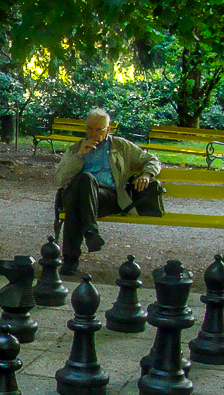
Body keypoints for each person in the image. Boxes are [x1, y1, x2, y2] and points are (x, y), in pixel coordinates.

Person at [56, 108, 160, 274]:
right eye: (90, 128)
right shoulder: (76, 148)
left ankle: (70, 260)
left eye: (99, 129)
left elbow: (152, 159)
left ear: (108, 129)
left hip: (107, 198)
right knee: (85, 181)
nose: (93, 133)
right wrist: (80, 155)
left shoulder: (120, 146)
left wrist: (147, 174)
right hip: (80, 196)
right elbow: (61, 180)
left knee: (76, 203)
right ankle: (91, 232)